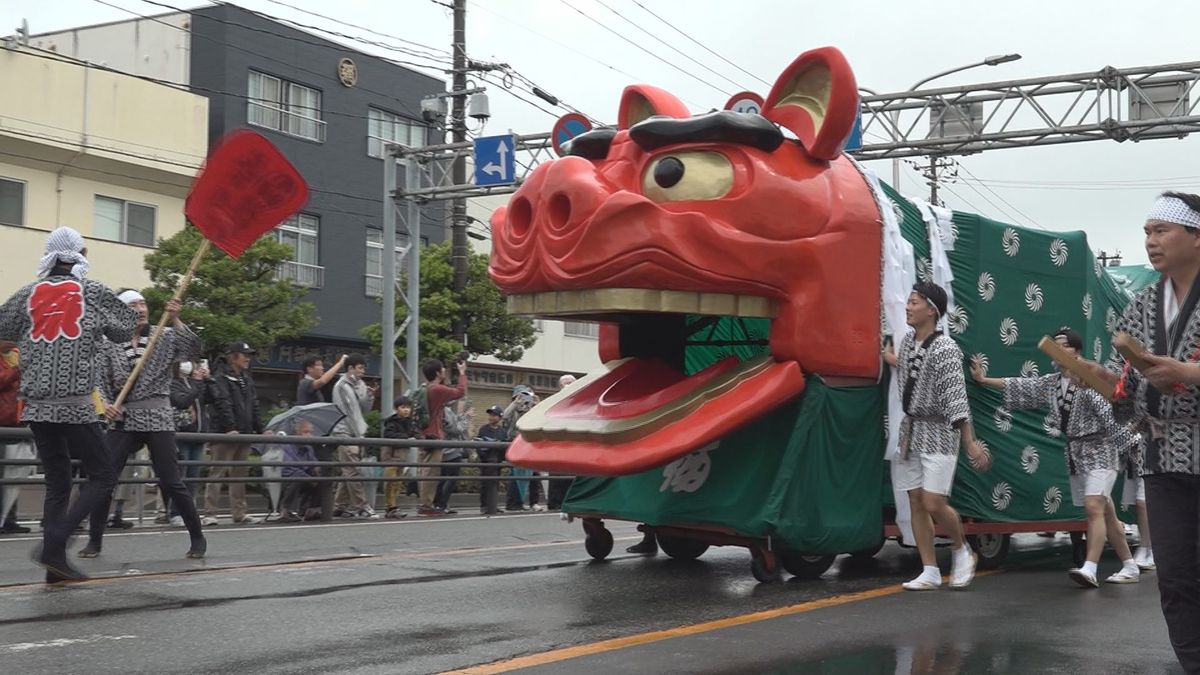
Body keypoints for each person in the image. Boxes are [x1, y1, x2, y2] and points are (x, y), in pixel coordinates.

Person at [1085, 191, 1200, 672]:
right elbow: (1124, 385)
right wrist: (1093, 375)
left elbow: (1180, 373)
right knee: (1174, 575)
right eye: (1147, 233)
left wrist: (1188, 372)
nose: (1151, 241)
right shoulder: (1142, 304)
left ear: (1196, 237)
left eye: (1162, 231)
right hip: (1162, 455)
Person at [0, 227, 137, 582]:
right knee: (103, 475)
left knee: (58, 483)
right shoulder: (92, 291)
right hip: (75, 402)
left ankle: (55, 567)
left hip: (36, 406)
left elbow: (2, 325)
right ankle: (55, 543)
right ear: (82, 253)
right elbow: (125, 329)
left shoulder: (28, 293)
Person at [972, 327, 1139, 587]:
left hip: (1101, 449)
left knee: (1093, 506)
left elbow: (1110, 417)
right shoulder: (1051, 383)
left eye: (1063, 345)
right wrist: (984, 380)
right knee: (1105, 512)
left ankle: (1090, 568)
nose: (1057, 349)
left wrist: (1132, 444)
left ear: (1077, 351)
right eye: (1054, 344)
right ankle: (1129, 565)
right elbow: (1021, 386)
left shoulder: (1088, 379)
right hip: (1076, 453)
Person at [882, 282, 991, 591]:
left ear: (931, 310)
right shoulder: (907, 342)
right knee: (915, 500)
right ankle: (928, 568)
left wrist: (969, 441)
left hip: (940, 430)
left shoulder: (946, 349)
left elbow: (957, 398)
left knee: (933, 501)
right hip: (911, 429)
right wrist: (891, 360)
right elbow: (912, 370)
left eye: (914, 302)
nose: (907, 307)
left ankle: (961, 550)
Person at [84, 291, 206, 559]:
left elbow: (194, 350)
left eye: (142, 304)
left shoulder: (164, 336)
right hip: (124, 417)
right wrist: (106, 404)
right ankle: (94, 540)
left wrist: (175, 319)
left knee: (172, 481)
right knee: (104, 479)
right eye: (132, 305)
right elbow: (99, 379)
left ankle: (197, 537)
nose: (140, 309)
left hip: (158, 415)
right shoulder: (109, 343)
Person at [204, 341, 264, 526]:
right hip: (225, 433)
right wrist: (230, 427)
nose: (247, 358)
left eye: (249, 355)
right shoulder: (220, 377)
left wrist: (260, 428)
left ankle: (239, 513)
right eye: (244, 354)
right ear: (233, 356)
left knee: (239, 474)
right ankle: (210, 513)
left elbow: (254, 404)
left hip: (244, 432)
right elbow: (222, 403)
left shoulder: (246, 378)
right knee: (217, 472)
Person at [415, 357, 467, 516]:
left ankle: (425, 504)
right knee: (430, 473)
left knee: (425, 471)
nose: (444, 370)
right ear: (438, 372)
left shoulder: (424, 388)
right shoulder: (436, 389)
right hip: (433, 435)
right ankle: (426, 506)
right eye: (443, 368)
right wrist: (462, 373)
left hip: (423, 435)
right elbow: (460, 392)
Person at [330, 354, 379, 519]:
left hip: (355, 432)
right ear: (350, 368)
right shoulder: (341, 386)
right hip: (345, 432)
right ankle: (362, 506)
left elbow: (363, 410)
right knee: (352, 471)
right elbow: (348, 412)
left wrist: (370, 397)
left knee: (348, 471)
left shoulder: (360, 384)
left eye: (364, 368)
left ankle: (339, 506)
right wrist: (358, 435)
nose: (363, 371)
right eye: (360, 368)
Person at [168, 360, 210, 527]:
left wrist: (208, 380)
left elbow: (212, 398)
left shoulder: (195, 382)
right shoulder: (173, 384)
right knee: (181, 476)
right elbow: (182, 401)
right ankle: (175, 512)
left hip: (198, 435)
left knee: (193, 476)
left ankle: (189, 511)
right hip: (182, 434)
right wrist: (197, 385)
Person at [0, 340, 30, 534]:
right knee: (2, 474)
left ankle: (10, 518)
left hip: (19, 422)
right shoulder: (14, 361)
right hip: (2, 424)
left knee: (16, 471)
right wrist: (18, 369)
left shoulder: (17, 354)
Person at [1119, 425, 1155, 571]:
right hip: (1136, 455)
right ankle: (1145, 546)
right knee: (1140, 503)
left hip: (1154, 448)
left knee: (1143, 502)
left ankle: (1151, 549)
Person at [503, 385, 543, 512]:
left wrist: (538, 405)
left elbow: (543, 420)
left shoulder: (533, 410)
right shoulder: (513, 411)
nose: (524, 400)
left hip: (531, 444)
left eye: (527, 396)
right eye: (521, 396)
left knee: (534, 475)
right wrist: (515, 404)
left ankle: (533, 502)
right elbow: (504, 417)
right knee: (516, 475)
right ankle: (514, 503)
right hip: (517, 444)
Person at [381, 396, 418, 518]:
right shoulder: (392, 422)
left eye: (408, 407)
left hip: (401, 456)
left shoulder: (409, 422)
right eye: (403, 407)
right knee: (391, 482)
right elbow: (388, 434)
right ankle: (390, 507)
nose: (406, 410)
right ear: (396, 409)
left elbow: (414, 433)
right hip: (391, 456)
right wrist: (406, 437)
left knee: (397, 483)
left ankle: (393, 506)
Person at [434, 398, 472, 514]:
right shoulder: (444, 411)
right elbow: (456, 429)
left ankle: (439, 504)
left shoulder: (444, 410)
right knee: (450, 479)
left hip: (445, 449)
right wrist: (466, 418)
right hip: (450, 450)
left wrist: (462, 415)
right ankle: (442, 504)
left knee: (444, 478)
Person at [546, 374, 578, 510]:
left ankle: (572, 502)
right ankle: (554, 503)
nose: (568, 385)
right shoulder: (554, 400)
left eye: (571, 382)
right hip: (557, 442)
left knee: (574, 474)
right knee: (556, 474)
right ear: (560, 386)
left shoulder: (581, 399)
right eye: (565, 383)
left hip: (574, 442)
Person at [279, 419, 320, 522]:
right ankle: (286, 510)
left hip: (303, 476)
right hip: (285, 478)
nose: (309, 436)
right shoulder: (287, 447)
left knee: (322, 477)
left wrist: (317, 469)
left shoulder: (308, 448)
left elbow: (313, 462)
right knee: (297, 478)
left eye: (311, 432)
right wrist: (309, 478)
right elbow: (288, 469)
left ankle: (310, 510)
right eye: (305, 432)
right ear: (297, 433)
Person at [476, 405, 506, 515]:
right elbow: (479, 444)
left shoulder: (502, 431)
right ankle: (484, 505)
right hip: (486, 460)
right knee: (485, 483)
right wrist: (483, 456)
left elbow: (504, 445)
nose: (491, 417)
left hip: (497, 461)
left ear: (500, 417)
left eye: (494, 415)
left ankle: (493, 504)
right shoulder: (484, 429)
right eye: (490, 415)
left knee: (495, 482)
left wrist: (502, 459)